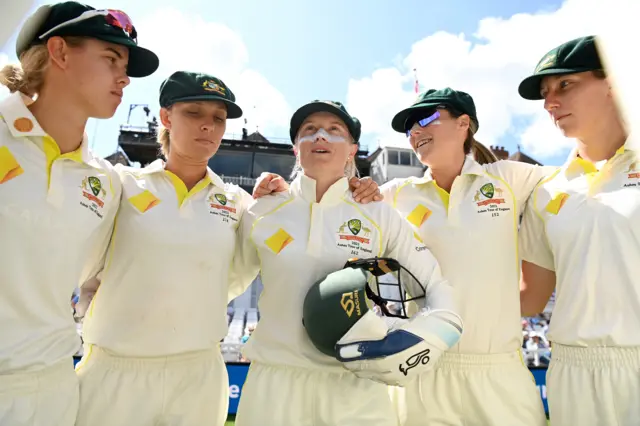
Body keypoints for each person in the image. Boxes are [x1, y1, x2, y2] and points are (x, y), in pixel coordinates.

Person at [73, 74, 381, 426]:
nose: (208, 126)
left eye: (218, 118)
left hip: (198, 374)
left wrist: (350, 187)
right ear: (166, 117)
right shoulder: (122, 183)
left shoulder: (237, 202)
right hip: (115, 368)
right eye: (194, 112)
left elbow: (246, 271)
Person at [230, 100, 462, 426]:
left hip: (357, 387)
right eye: (309, 130)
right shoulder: (261, 211)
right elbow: (223, 284)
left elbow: (434, 283)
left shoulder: (378, 213)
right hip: (275, 384)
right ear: (297, 148)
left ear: (352, 149)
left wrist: (434, 337)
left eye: (334, 130)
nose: (320, 136)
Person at [0, 3, 157, 425]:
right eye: (110, 59)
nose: (124, 78)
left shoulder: (107, 183)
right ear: (60, 52)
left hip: (53, 392)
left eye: (125, 66)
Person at [381, 88, 550, 425]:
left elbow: (582, 182)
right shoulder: (394, 195)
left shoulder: (508, 179)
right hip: (423, 371)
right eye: (408, 127)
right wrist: (276, 189)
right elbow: (333, 211)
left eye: (426, 118)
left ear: (464, 124)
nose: (415, 131)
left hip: (499, 373)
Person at [518, 35, 640, 426]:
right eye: (545, 93)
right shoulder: (547, 189)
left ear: (612, 83)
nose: (550, 103)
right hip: (571, 371)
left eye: (565, 85)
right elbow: (531, 298)